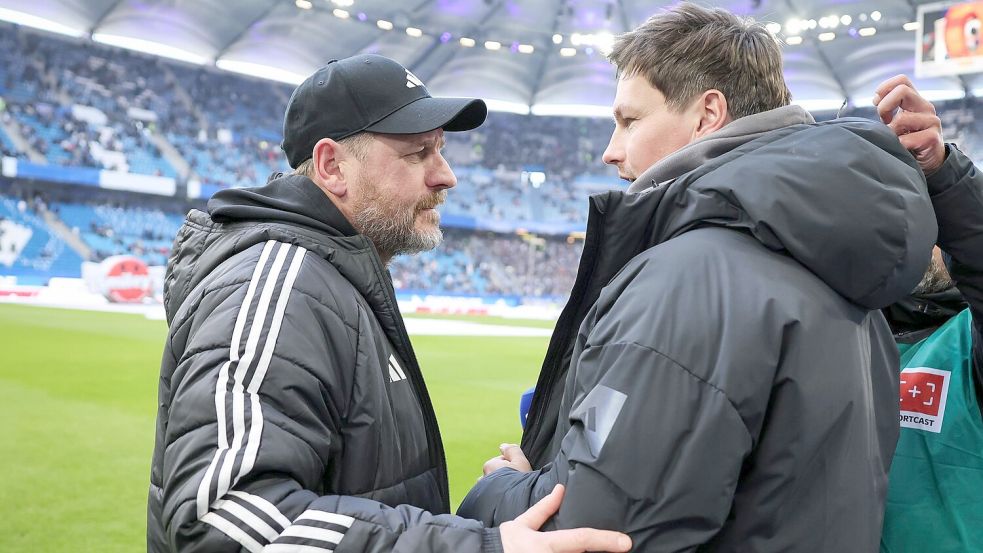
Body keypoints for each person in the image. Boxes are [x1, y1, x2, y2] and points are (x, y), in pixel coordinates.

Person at [456, 4, 938, 551]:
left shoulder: (689, 279)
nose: (611, 151)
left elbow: (600, 530)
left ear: (708, 114)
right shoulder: (840, 269)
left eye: (629, 121)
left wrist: (497, 491)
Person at [146, 54, 631, 553]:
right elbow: (220, 517)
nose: (446, 176)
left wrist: (498, 501)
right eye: (418, 153)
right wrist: (479, 548)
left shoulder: (334, 279)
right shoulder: (280, 283)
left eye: (440, 150)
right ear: (332, 166)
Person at [872, 75, 983, 552]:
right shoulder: (850, 329)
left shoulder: (969, 342)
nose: (924, 241)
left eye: (940, 226)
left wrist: (942, 175)